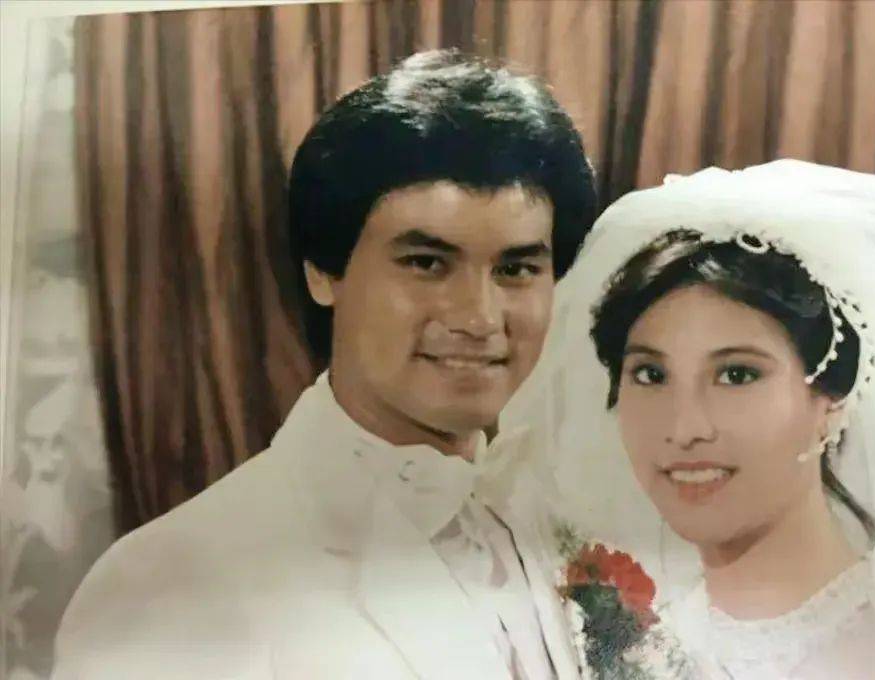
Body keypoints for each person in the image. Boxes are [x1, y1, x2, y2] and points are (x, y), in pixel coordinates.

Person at [54, 49, 597, 680]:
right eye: (426, 263)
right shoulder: (173, 579)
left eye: (516, 269)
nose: (479, 318)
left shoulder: (563, 525)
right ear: (322, 271)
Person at [500, 161, 875, 679]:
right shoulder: (590, 633)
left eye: (737, 375)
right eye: (651, 375)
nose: (684, 427)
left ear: (832, 399)